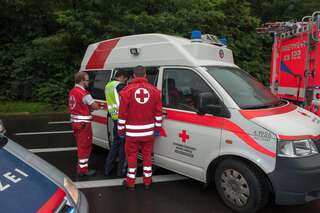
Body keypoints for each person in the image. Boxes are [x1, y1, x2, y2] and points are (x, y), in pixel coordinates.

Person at [118, 65, 162, 191]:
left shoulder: (126, 91)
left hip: (132, 133)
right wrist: (157, 129)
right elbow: (158, 113)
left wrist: (121, 130)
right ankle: (147, 181)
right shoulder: (155, 91)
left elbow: (122, 114)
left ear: (133, 76)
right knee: (147, 156)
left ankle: (130, 183)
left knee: (131, 157)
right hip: (149, 132)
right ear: (145, 75)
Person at [68, 71, 99, 178]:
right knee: (85, 147)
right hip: (84, 124)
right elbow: (95, 106)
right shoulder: (84, 93)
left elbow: (79, 105)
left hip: (75, 123)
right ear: (81, 81)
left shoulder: (73, 91)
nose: (88, 82)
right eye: (87, 80)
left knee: (81, 145)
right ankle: (83, 170)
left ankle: (82, 168)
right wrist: (94, 106)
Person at [104, 70, 129, 177]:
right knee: (123, 146)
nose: (126, 81)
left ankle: (107, 169)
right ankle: (121, 172)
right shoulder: (120, 86)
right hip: (122, 118)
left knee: (115, 145)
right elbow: (127, 99)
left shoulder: (108, 85)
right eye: (126, 79)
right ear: (122, 77)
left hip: (114, 118)